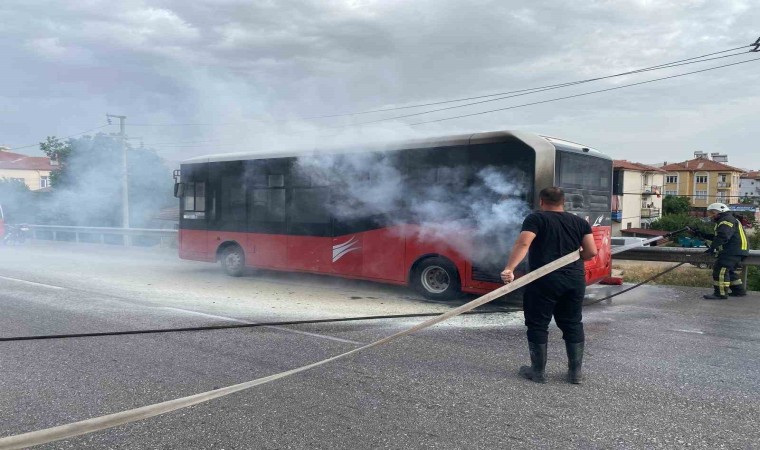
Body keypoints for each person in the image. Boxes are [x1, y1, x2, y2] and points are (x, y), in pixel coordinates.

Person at [501, 187, 598, 384]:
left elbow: (523, 244)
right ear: (563, 202)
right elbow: (591, 252)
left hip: (543, 280)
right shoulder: (580, 222)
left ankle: (537, 372)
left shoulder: (536, 219)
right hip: (574, 280)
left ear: (542, 201)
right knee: (572, 322)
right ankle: (575, 373)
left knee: (538, 323)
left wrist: (510, 268)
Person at [687, 203, 749, 300]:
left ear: (718, 212)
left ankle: (720, 294)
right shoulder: (727, 219)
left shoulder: (726, 221)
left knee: (720, 270)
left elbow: (723, 236)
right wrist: (700, 234)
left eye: (711, 213)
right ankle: (739, 291)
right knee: (728, 271)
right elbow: (717, 237)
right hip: (736, 250)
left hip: (731, 251)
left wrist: (712, 248)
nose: (710, 216)